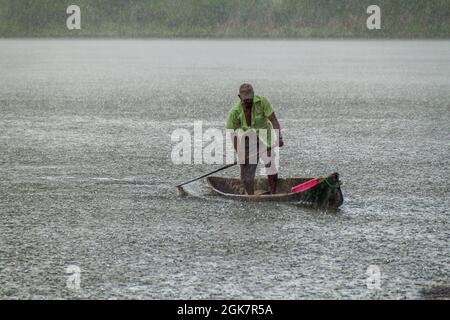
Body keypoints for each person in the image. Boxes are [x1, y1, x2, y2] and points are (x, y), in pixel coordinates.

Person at [226, 83, 284, 195]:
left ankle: (273, 193)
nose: (248, 101)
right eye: (245, 100)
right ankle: (250, 196)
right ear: (239, 97)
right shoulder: (234, 112)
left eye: (250, 99)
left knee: (270, 165)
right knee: (247, 173)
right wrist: (240, 153)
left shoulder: (262, 102)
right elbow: (233, 135)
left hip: (265, 136)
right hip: (248, 139)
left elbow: (274, 120)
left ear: (253, 95)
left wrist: (279, 137)